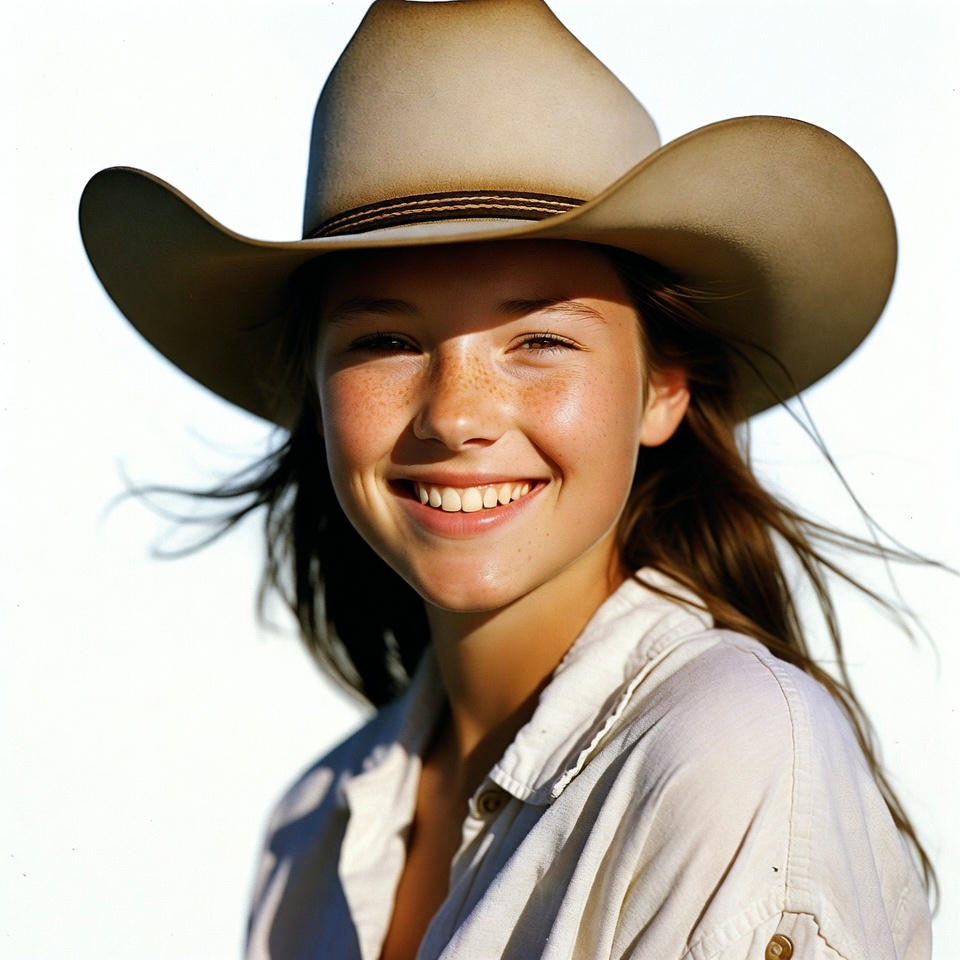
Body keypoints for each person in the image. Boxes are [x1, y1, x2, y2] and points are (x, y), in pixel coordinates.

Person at [79, 0, 934, 957]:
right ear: (315, 392)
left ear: (663, 388)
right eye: (386, 341)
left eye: (540, 341)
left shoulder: (730, 749)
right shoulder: (310, 830)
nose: (455, 415)